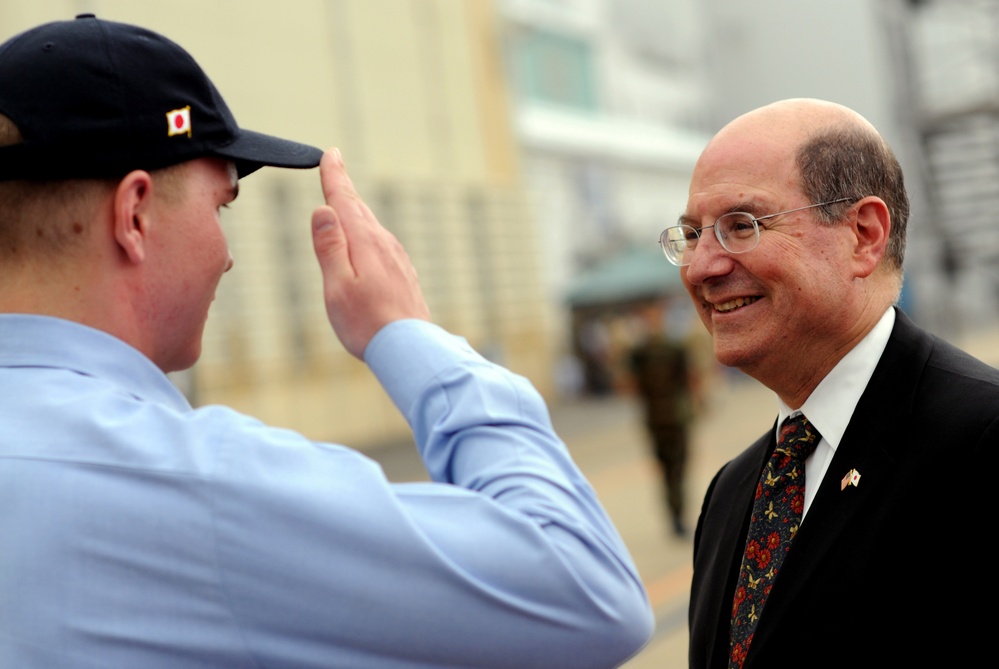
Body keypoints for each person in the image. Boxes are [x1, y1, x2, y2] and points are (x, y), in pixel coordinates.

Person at [0, 15, 653, 668]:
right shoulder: (194, 485)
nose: (227, 256)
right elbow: (586, 588)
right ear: (135, 215)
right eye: (221, 206)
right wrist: (409, 336)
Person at [661, 98, 997, 668]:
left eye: (741, 226)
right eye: (693, 235)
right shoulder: (732, 492)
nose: (701, 268)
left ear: (863, 235)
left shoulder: (980, 443)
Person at [627, 300, 699, 538]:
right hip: (659, 418)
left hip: (673, 416)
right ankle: (675, 516)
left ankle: (678, 515)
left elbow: (689, 379)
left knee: (677, 467)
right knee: (668, 468)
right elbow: (629, 385)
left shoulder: (669, 348)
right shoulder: (640, 352)